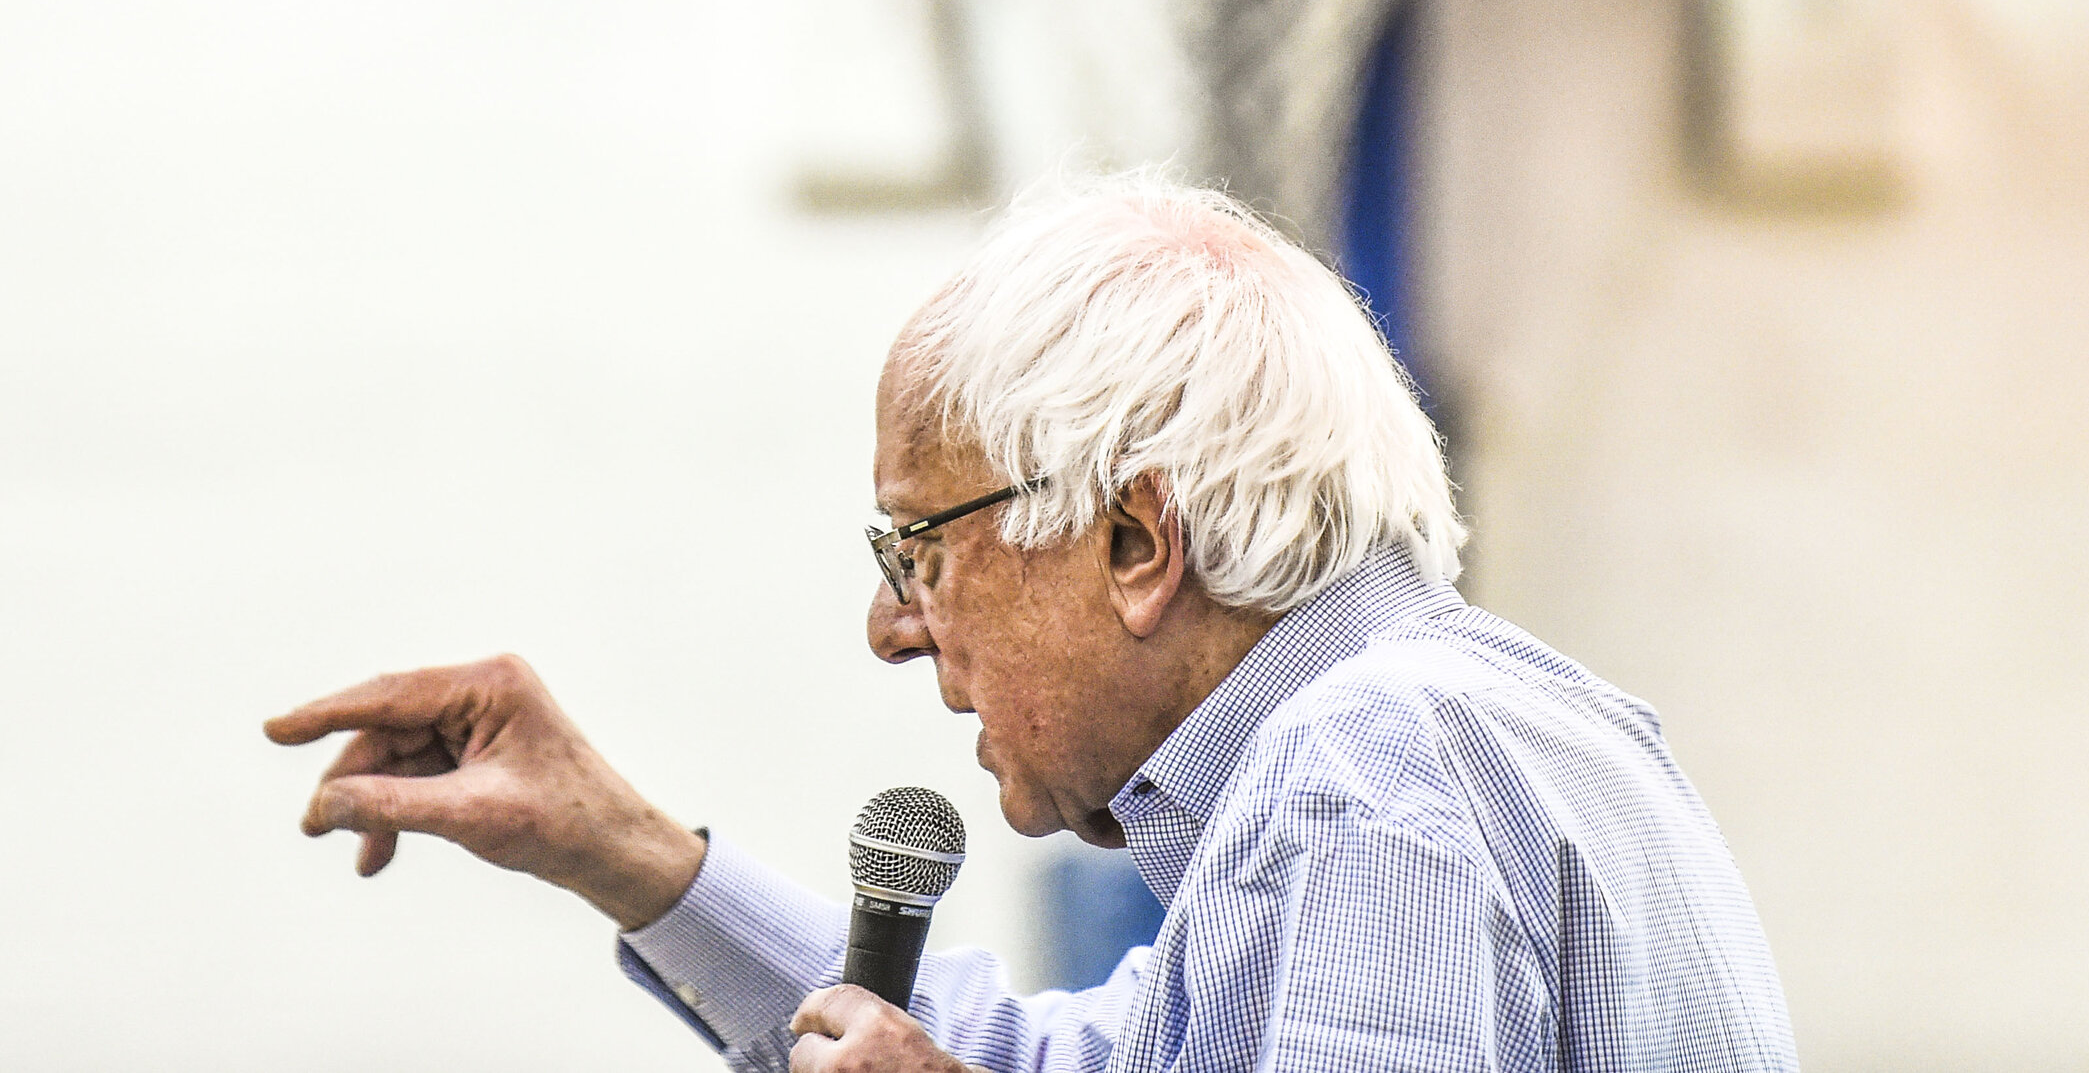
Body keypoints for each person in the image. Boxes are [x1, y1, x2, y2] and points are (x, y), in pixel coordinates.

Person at [267, 173, 1798, 1072]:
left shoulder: (1370, 769)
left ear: (1136, 538)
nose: (887, 624)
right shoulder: (1444, 736)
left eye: (919, 545)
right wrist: (619, 845)